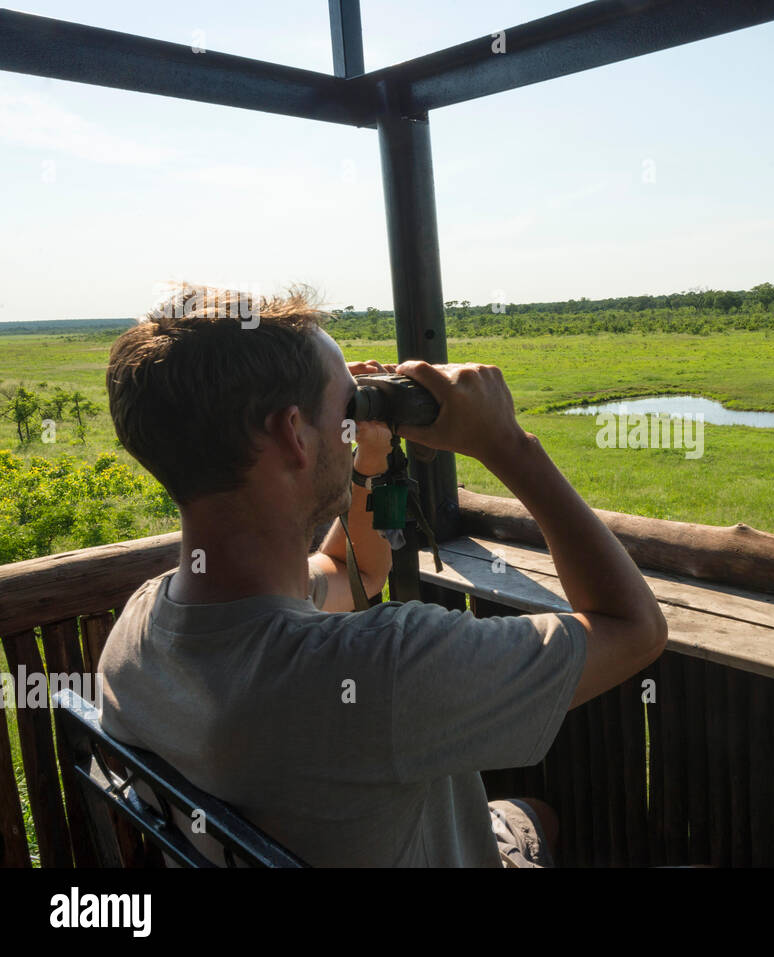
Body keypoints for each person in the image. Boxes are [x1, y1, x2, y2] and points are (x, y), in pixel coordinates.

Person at [97, 284, 667, 867]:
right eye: (349, 404)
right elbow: (633, 627)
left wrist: (365, 456)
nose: (357, 415)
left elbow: (352, 569)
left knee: (530, 815)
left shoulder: (138, 630)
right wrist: (507, 444)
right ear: (294, 434)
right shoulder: (386, 667)